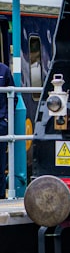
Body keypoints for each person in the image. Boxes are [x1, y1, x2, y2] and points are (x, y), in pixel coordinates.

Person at [0, 60, 13, 197]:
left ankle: (0, 196)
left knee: (0, 163)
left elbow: (12, 95)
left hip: (0, 123)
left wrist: (6, 118)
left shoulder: (4, 70)